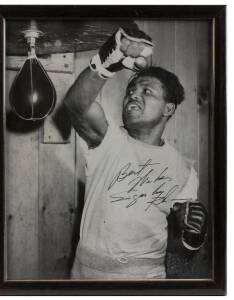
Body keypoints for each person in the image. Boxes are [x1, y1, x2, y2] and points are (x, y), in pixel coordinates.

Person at [63, 27, 208, 279]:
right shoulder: (108, 141)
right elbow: (77, 104)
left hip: (146, 279)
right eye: (131, 91)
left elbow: (179, 255)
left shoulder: (184, 170)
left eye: (147, 91)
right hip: (88, 278)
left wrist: (192, 238)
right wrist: (107, 62)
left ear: (168, 109)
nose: (133, 95)